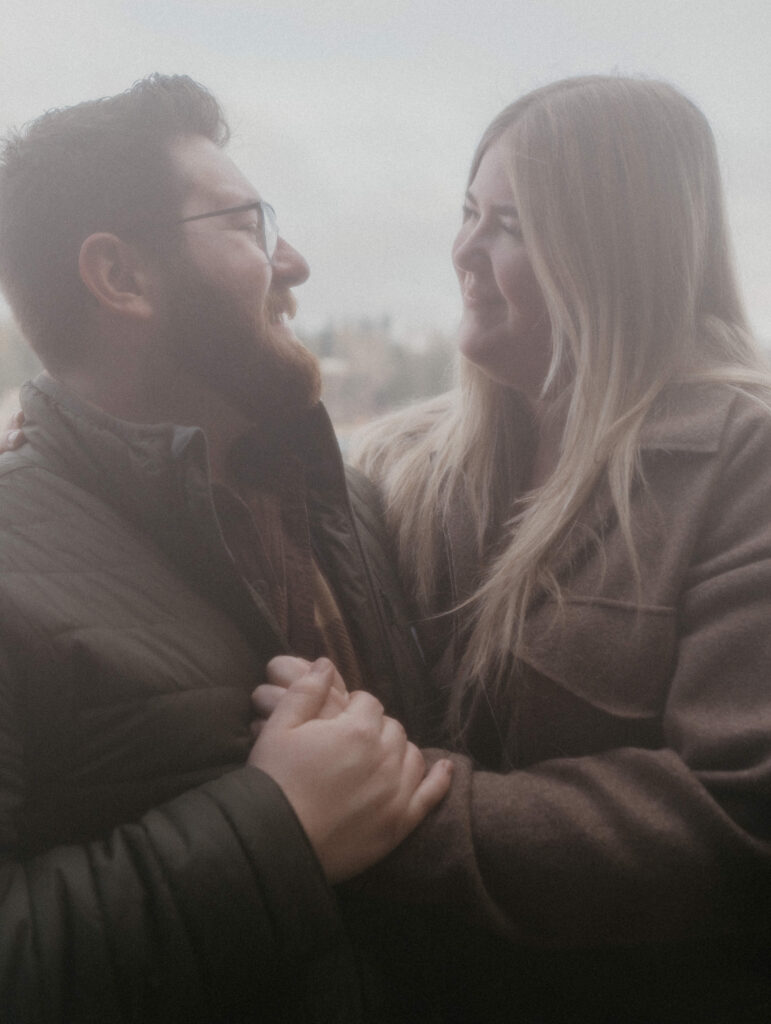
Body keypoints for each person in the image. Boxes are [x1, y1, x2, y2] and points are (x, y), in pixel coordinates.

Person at [265, 77, 771, 1022]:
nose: (460, 251)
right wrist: (74, 469)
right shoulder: (398, 463)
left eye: (511, 224)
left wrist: (381, 816)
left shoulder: (745, 465)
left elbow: (735, 815)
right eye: (467, 212)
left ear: (613, 251)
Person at [0, 74, 452, 1024]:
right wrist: (278, 835)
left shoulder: (347, 509)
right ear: (123, 278)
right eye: (249, 225)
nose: (294, 262)